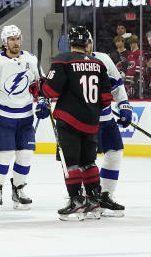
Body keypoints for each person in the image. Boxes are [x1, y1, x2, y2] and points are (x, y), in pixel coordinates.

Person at [39, 25, 112, 220]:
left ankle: (76, 201)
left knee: (70, 162)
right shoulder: (99, 64)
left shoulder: (62, 60)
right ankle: (94, 200)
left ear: (70, 42)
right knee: (88, 162)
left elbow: (50, 92)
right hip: (91, 121)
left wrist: (40, 86)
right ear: (87, 42)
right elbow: (106, 99)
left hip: (69, 119)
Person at [0, 24, 39, 209]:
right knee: (4, 155)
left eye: (18, 38)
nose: (16, 42)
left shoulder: (31, 59)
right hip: (3, 116)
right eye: (12, 39)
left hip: (26, 116)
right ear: (4, 42)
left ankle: (18, 189)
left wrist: (42, 96)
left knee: (25, 155)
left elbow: (39, 83)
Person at [87, 35, 132, 216]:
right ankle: (88, 197)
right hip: (84, 120)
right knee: (86, 161)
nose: (87, 46)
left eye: (89, 42)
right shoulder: (70, 62)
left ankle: (105, 195)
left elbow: (117, 84)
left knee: (115, 153)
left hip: (105, 119)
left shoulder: (104, 58)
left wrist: (124, 105)